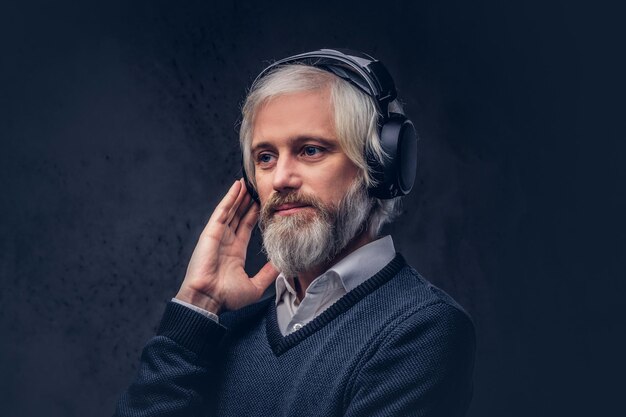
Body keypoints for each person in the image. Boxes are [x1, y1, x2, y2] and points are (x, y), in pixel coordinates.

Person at [115, 49, 475, 417]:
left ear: (377, 165)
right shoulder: (220, 331)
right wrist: (198, 303)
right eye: (265, 157)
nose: (281, 179)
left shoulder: (422, 329)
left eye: (310, 150)